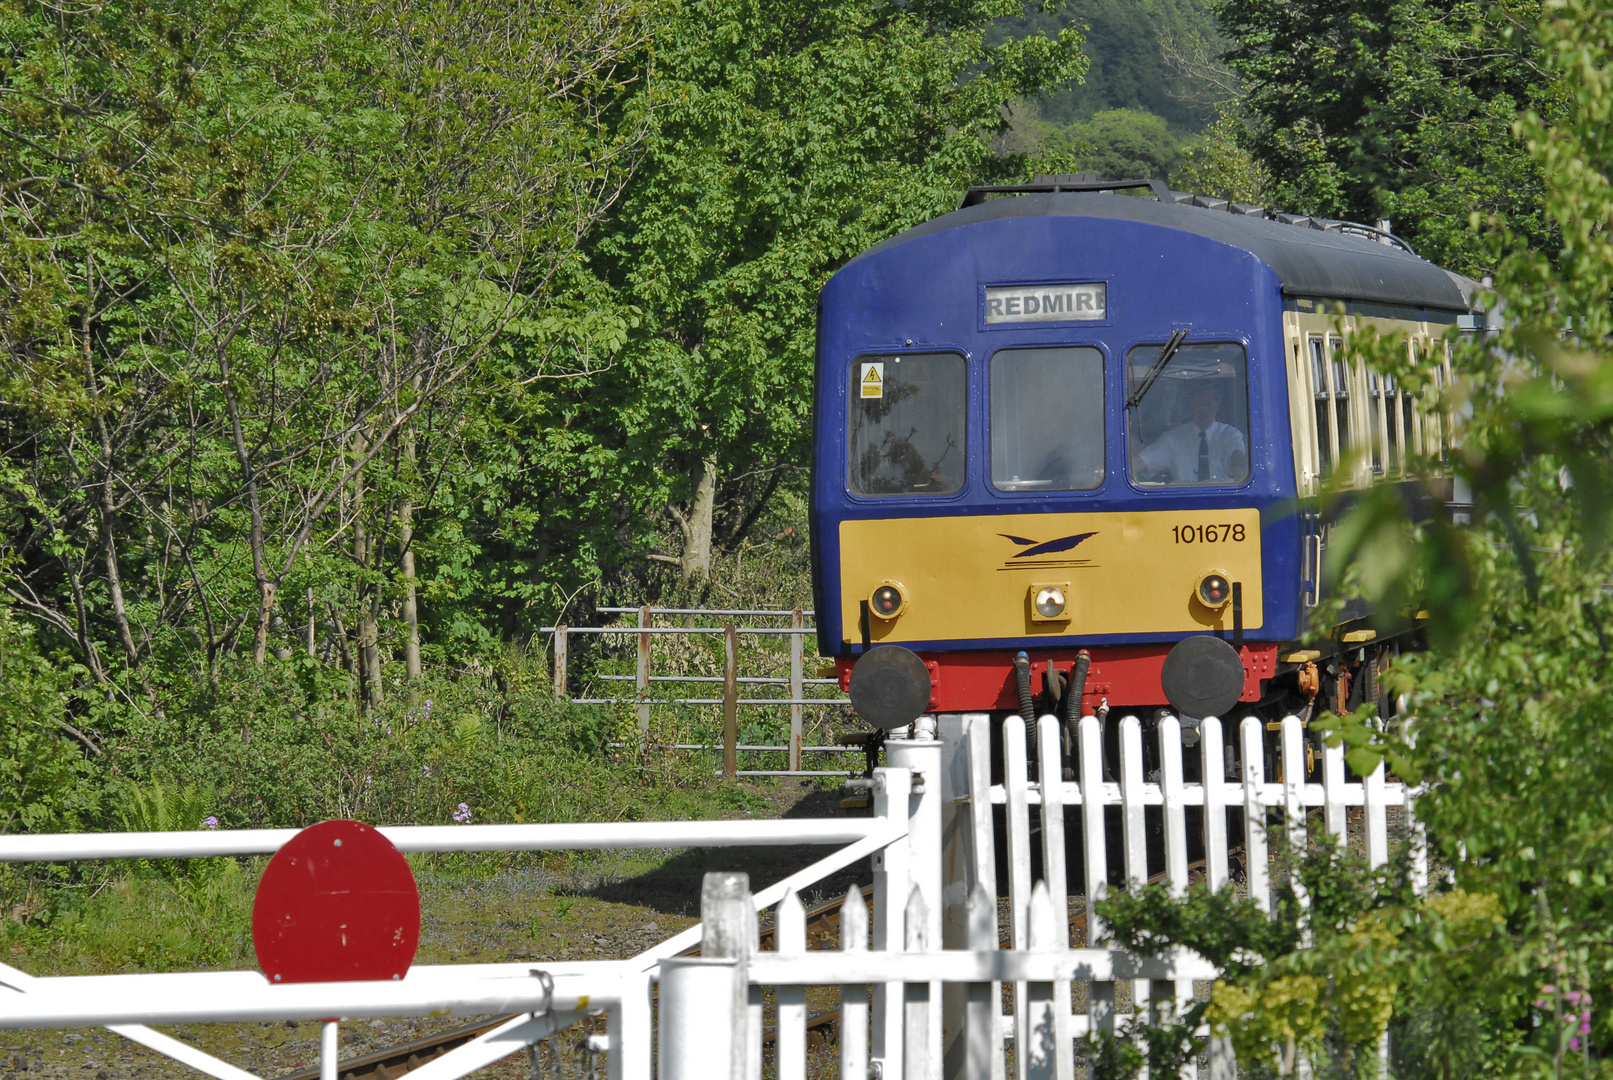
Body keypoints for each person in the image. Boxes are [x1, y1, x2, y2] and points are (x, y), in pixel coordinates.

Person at [1136, 382, 1248, 484]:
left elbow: (1236, 451)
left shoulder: (1229, 434)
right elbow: (1144, 460)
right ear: (1192, 407)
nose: (1203, 410)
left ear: (1217, 406)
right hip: (1183, 499)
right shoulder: (1174, 437)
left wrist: (1236, 466)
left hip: (1224, 499)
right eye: (1198, 405)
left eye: (1207, 404)